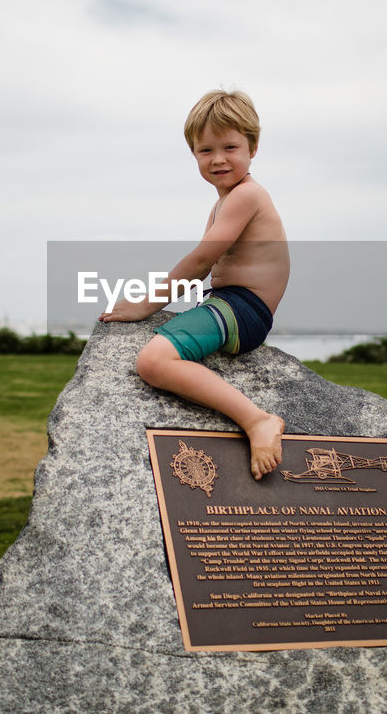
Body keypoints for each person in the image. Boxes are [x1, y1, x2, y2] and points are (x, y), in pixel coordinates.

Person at [99, 90, 290, 480]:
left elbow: (202, 260)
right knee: (161, 351)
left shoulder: (248, 195)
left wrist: (145, 306)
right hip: (229, 304)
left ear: (253, 147)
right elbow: (206, 268)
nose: (218, 158)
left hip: (243, 309)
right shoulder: (224, 202)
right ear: (194, 155)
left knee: (153, 360)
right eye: (205, 151)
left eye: (230, 147)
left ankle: (257, 420)